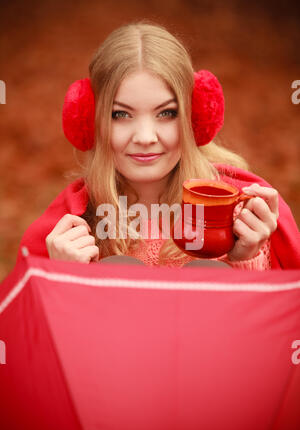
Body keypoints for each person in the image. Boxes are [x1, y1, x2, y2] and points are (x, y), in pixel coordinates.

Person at [16, 21, 300, 270]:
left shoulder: (239, 213)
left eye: (166, 113)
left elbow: (268, 325)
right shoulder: (72, 228)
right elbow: (37, 326)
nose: (145, 137)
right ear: (93, 120)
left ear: (194, 116)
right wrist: (63, 277)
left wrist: (244, 257)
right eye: (121, 114)